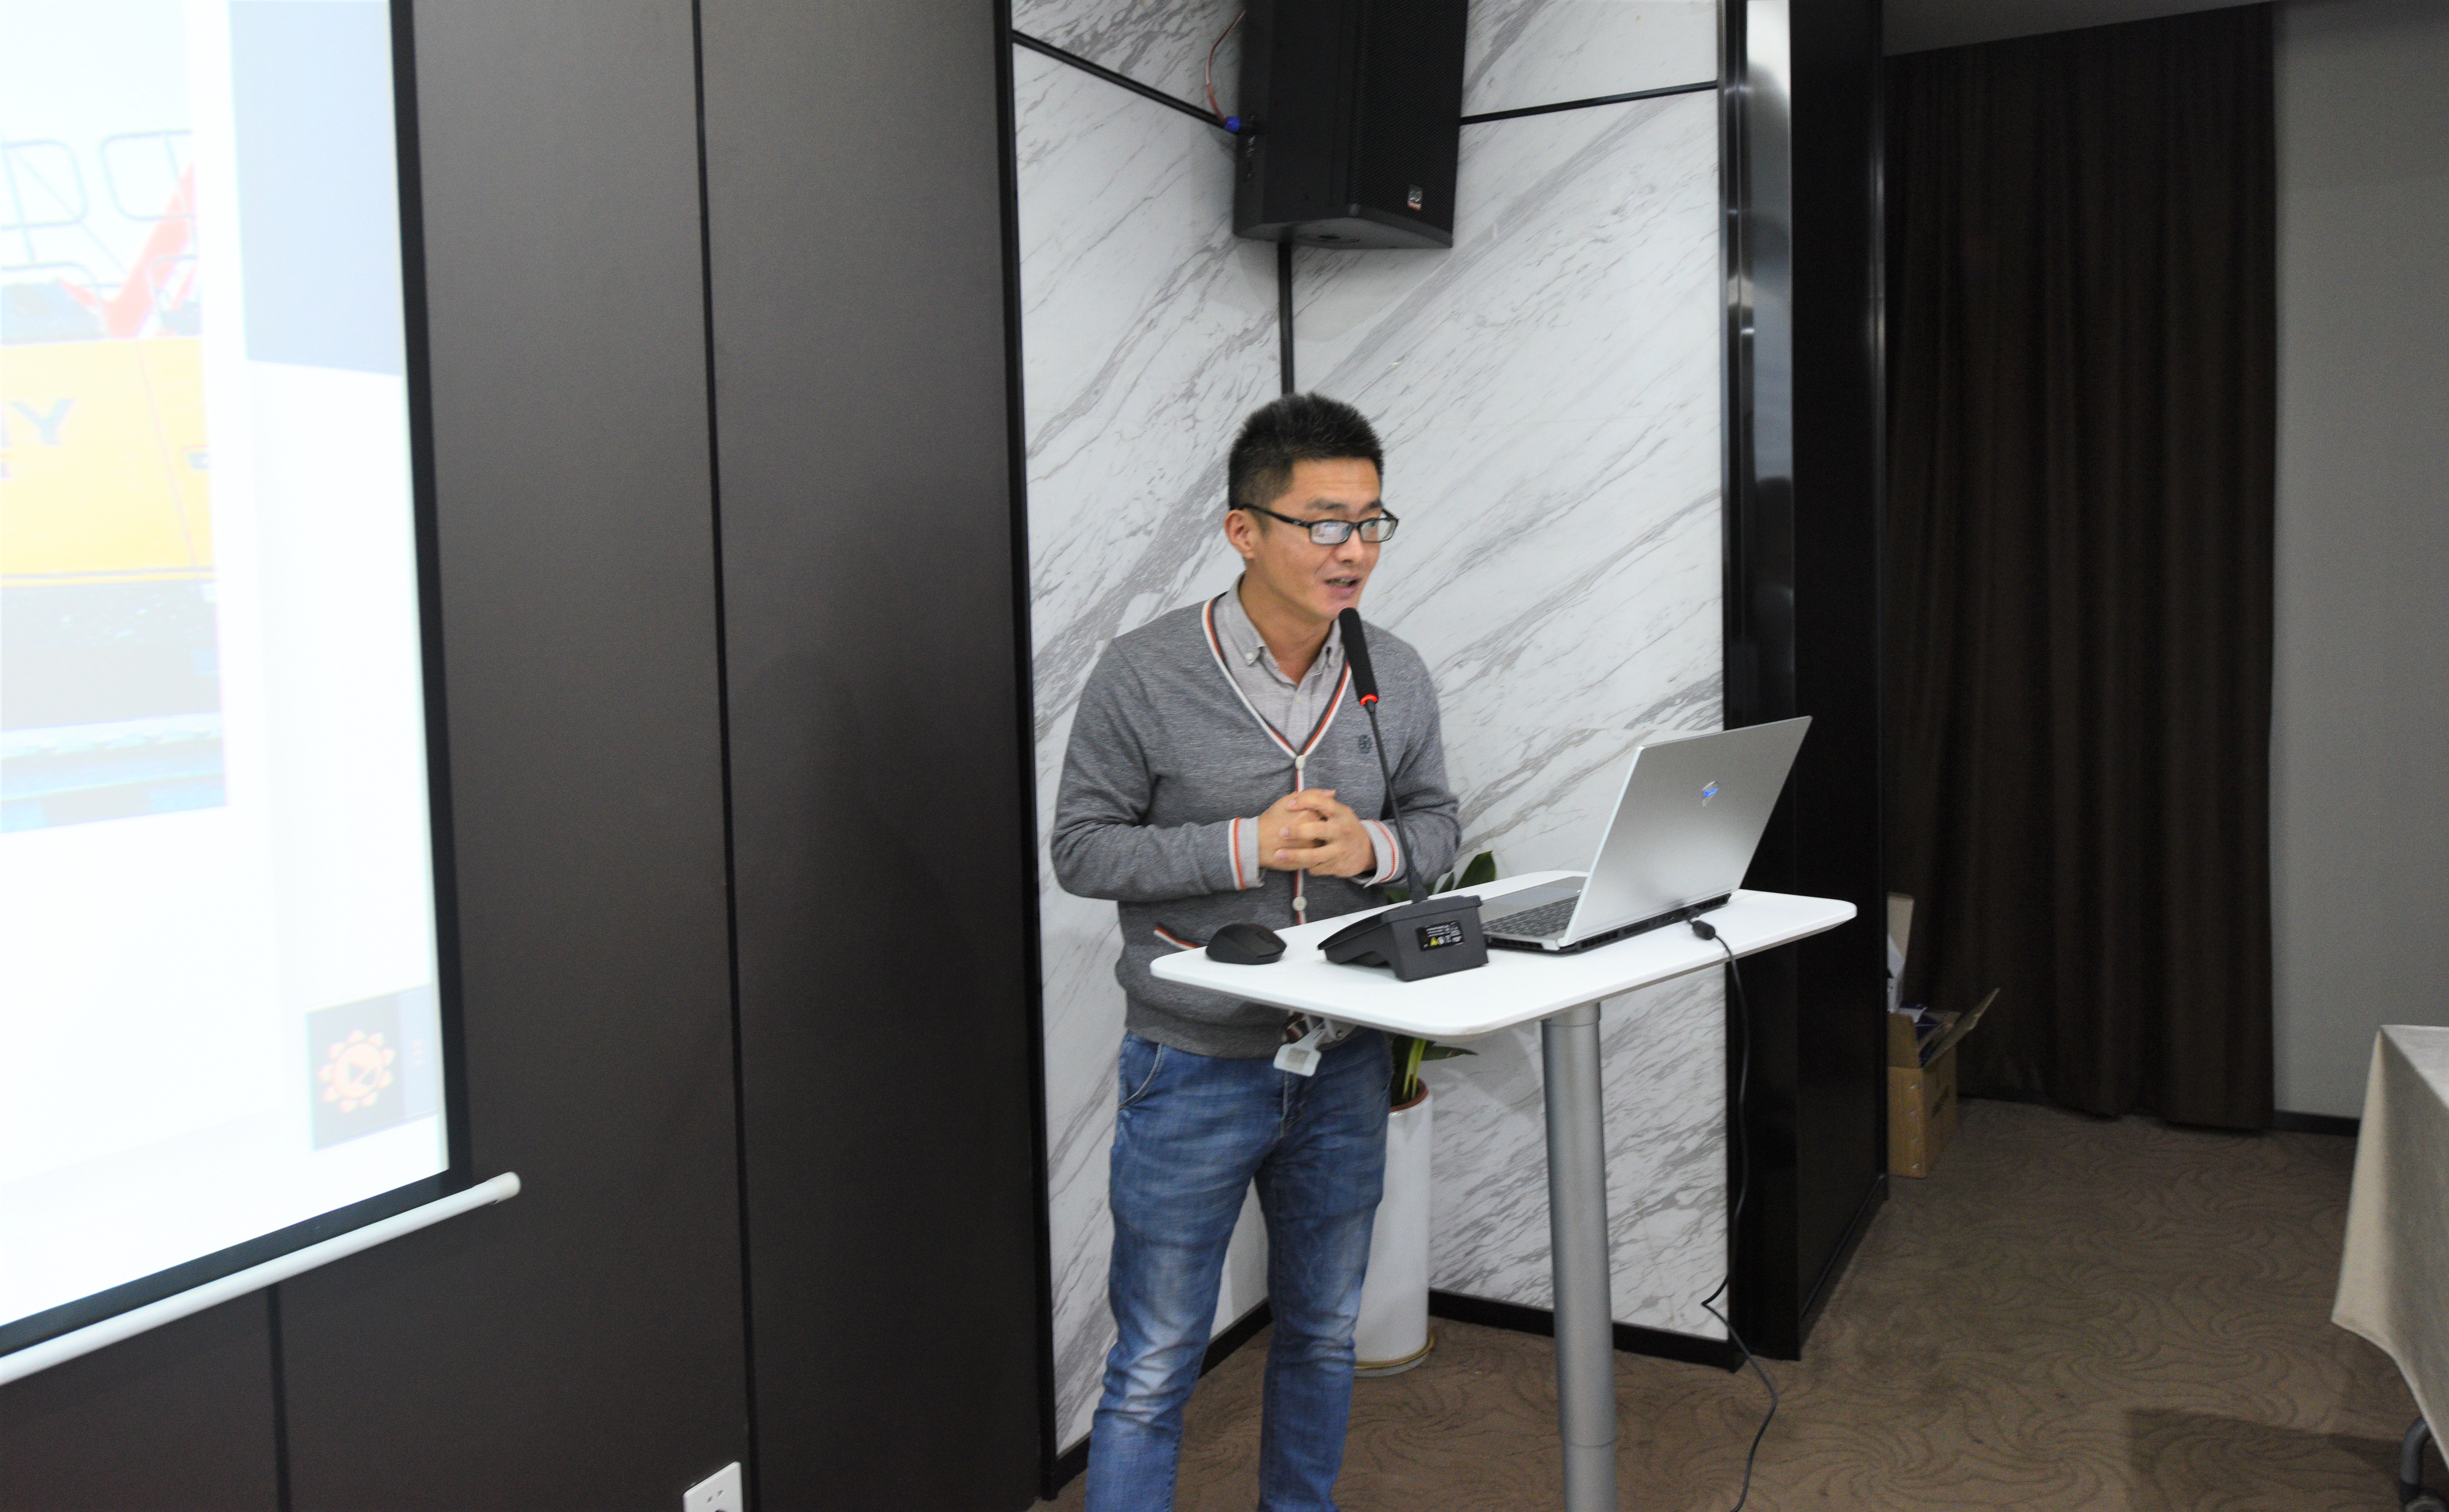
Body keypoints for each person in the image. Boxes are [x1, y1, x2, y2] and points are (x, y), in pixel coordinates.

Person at [1052, 393, 1461, 1511]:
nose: (1354, 550)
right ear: (1244, 529)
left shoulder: (1393, 673)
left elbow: (1437, 826)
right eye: (1325, 524)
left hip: (1344, 1058)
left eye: (1372, 523)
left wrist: (1373, 847)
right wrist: (1247, 844)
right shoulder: (1143, 672)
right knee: (1156, 1361)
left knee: (1323, 1332)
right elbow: (1082, 849)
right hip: (1192, 1062)